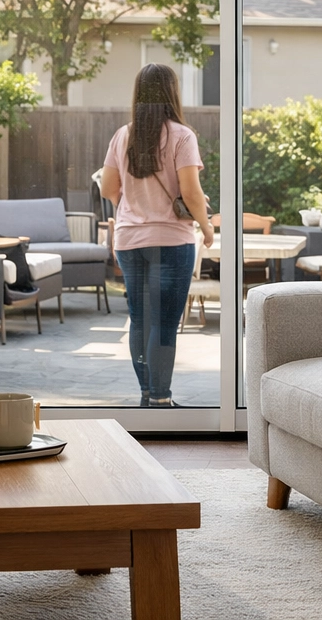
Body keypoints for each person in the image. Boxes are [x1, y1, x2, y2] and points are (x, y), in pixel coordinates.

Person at [101, 63, 214, 407]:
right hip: (170, 241)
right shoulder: (181, 135)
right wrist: (207, 227)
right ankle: (162, 401)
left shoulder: (124, 135)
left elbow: (108, 188)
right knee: (164, 323)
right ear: (171, 92)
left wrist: (135, 204)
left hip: (129, 242)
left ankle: (148, 397)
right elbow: (191, 193)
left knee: (140, 320)